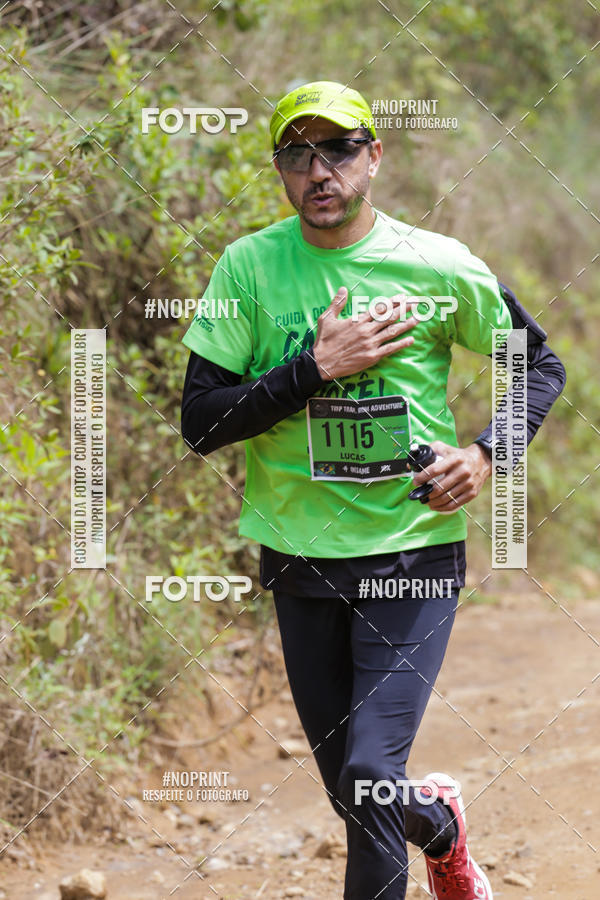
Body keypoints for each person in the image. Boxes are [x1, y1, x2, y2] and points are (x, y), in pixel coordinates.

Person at [180, 81, 566, 900]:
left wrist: (487, 453)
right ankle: (439, 823)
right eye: (297, 154)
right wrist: (314, 369)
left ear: (374, 158)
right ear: (282, 171)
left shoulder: (438, 265)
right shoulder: (248, 267)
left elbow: (537, 364)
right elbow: (202, 421)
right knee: (362, 799)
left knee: (366, 771)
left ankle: (420, 820)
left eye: (339, 150)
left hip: (412, 556)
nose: (319, 171)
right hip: (300, 559)